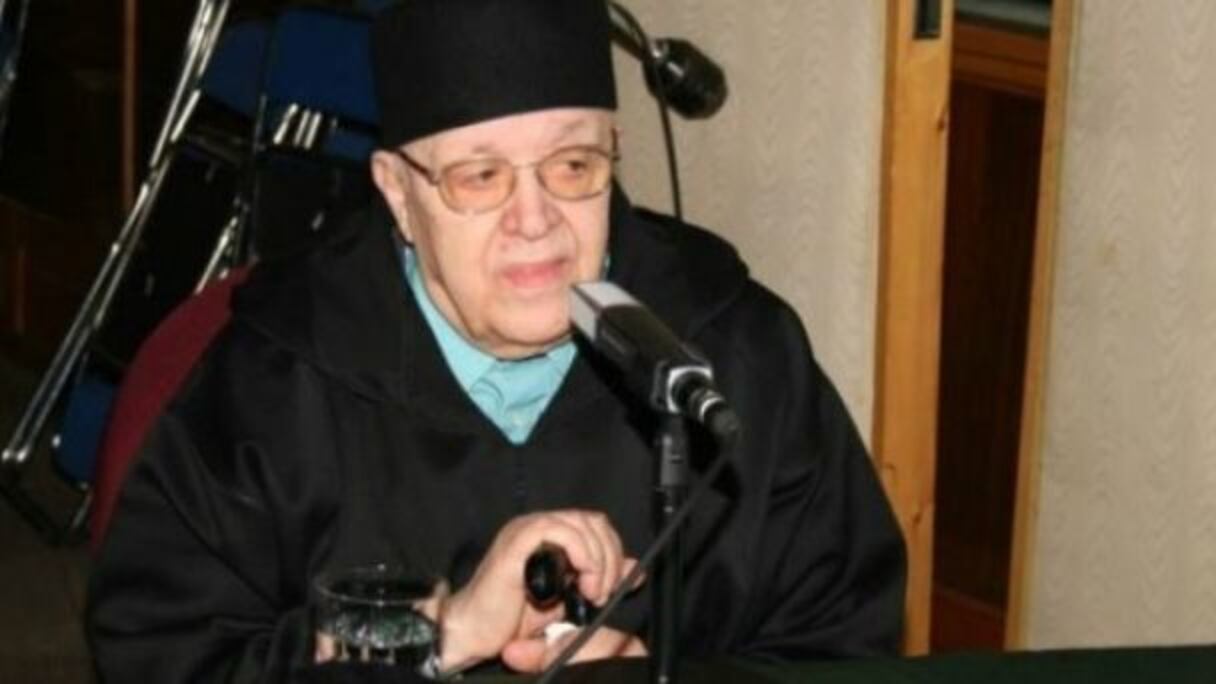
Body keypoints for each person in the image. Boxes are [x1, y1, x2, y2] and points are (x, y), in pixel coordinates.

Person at [87, 0, 906, 681]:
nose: (535, 220)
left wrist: (655, 676)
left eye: (573, 165)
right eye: (480, 177)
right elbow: (162, 655)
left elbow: (846, 642)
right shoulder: (277, 379)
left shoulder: (739, 359)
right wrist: (431, 637)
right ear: (398, 195)